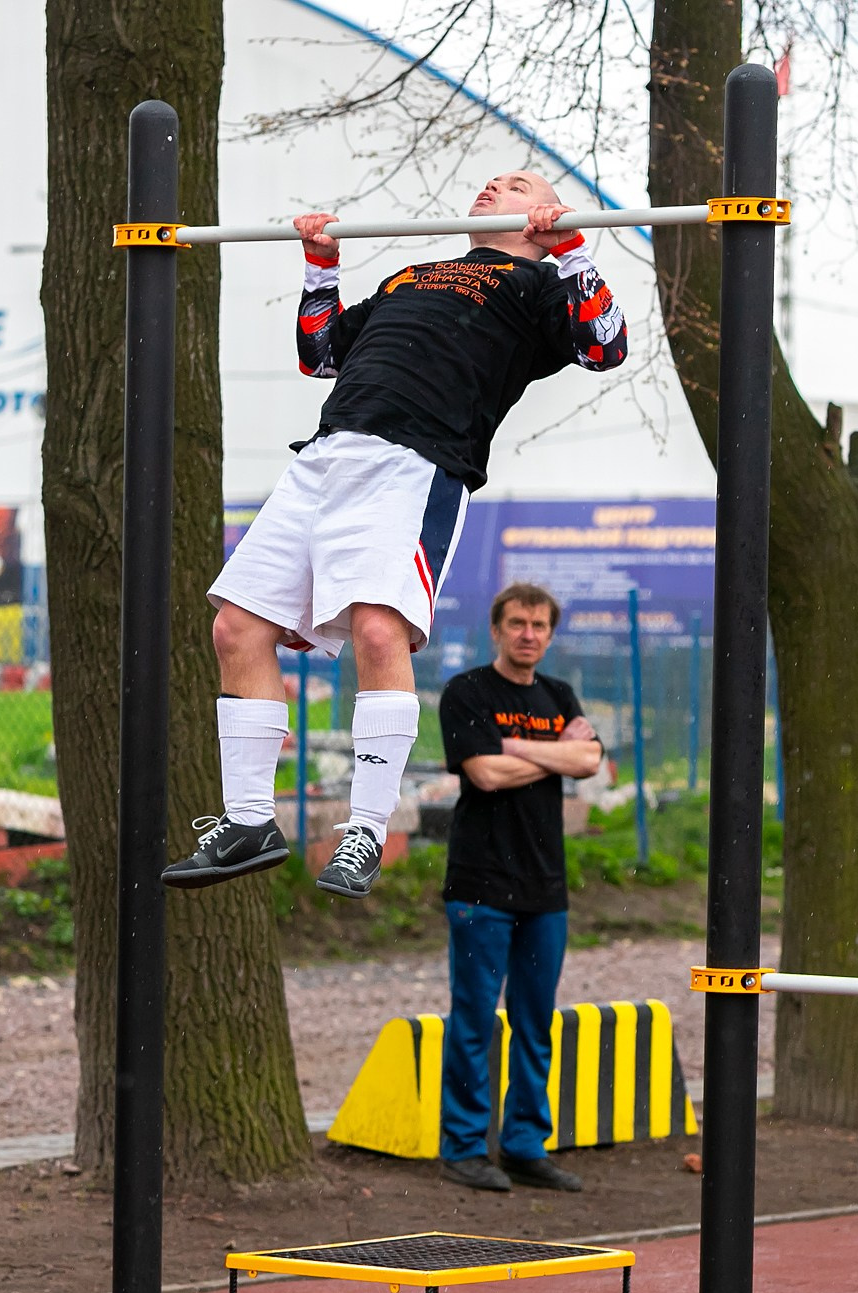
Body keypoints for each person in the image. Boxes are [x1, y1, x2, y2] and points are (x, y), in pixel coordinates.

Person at [163, 170, 629, 899]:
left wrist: (571, 248)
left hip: (412, 465)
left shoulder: (542, 288)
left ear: (540, 217)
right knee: (236, 627)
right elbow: (320, 356)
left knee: (380, 634)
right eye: (488, 181)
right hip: (324, 456)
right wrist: (321, 265)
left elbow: (605, 348)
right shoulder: (412, 273)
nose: (488, 186)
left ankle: (364, 833)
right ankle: (249, 820)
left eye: (513, 184)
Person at [434, 584, 601, 1192]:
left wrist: (520, 750)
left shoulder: (558, 694)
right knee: (474, 1019)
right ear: (497, 629)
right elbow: (483, 772)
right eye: (517, 623)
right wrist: (558, 751)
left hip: (544, 890)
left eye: (539, 625)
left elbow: (592, 762)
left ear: (551, 634)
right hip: (479, 885)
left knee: (536, 1022)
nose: (528, 633)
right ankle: (462, 1148)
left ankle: (526, 1145)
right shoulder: (468, 692)